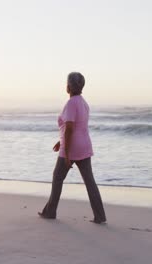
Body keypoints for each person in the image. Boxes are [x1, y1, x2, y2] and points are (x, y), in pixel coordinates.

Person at [38, 72, 107, 224]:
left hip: (71, 148)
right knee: (90, 182)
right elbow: (74, 127)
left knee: (57, 178)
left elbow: (69, 128)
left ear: (68, 86)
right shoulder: (83, 102)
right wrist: (60, 141)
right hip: (84, 146)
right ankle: (100, 216)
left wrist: (67, 153)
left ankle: (50, 212)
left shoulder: (70, 103)